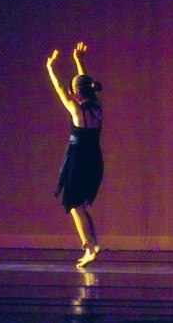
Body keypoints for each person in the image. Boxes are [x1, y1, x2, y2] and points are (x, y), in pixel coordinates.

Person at [47, 42, 104, 268]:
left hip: (79, 160)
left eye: (74, 90)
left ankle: (89, 247)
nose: (71, 93)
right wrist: (79, 61)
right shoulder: (96, 106)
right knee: (78, 204)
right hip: (94, 158)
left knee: (73, 203)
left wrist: (51, 68)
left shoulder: (77, 109)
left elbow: (60, 88)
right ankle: (93, 244)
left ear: (77, 93)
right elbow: (84, 85)